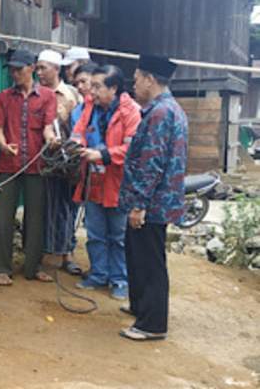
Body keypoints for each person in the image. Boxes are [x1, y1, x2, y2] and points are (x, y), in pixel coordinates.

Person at [118, 55, 188, 341]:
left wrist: (138, 205)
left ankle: (152, 324)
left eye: (136, 79)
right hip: (157, 200)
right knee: (138, 256)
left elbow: (152, 164)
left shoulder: (160, 113)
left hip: (152, 204)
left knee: (150, 261)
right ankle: (140, 306)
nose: (134, 85)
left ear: (150, 79)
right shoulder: (168, 109)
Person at [0, 49, 59, 286]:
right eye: (12, 69)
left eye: (19, 69)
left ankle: (33, 267)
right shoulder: (4, 97)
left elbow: (48, 126)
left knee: (36, 217)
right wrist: (3, 145)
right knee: (4, 217)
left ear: (32, 68)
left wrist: (50, 139)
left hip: (37, 165)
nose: (15, 73)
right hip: (9, 165)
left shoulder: (48, 96)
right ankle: (1, 268)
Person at [70, 65, 141, 300]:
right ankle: (98, 274)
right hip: (93, 180)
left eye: (98, 86)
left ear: (114, 88)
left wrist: (103, 155)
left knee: (118, 236)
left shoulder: (131, 112)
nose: (92, 91)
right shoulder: (90, 107)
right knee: (95, 233)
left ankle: (120, 279)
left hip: (118, 183)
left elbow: (133, 149)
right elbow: (78, 131)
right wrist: (78, 144)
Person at [35, 50, 83, 277]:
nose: (39, 72)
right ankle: (44, 252)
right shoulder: (36, 94)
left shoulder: (73, 94)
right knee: (46, 207)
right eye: (38, 68)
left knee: (68, 208)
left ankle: (67, 254)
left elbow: (83, 124)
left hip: (70, 161)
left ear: (56, 68)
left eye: (43, 67)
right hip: (45, 160)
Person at [70, 62, 99, 128]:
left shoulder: (108, 107)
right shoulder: (76, 113)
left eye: (83, 81)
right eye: (76, 84)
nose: (79, 87)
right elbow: (76, 136)